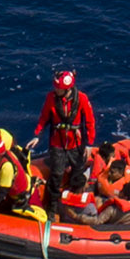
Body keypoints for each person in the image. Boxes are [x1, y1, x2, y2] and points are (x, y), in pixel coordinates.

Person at [37, 70, 99, 200]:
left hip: (75, 142)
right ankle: (52, 205)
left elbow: (89, 121)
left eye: (58, 88)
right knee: (56, 173)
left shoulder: (81, 98)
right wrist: (37, 135)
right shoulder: (51, 97)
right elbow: (44, 117)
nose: (55, 90)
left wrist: (89, 144)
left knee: (77, 170)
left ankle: (74, 198)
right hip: (57, 141)